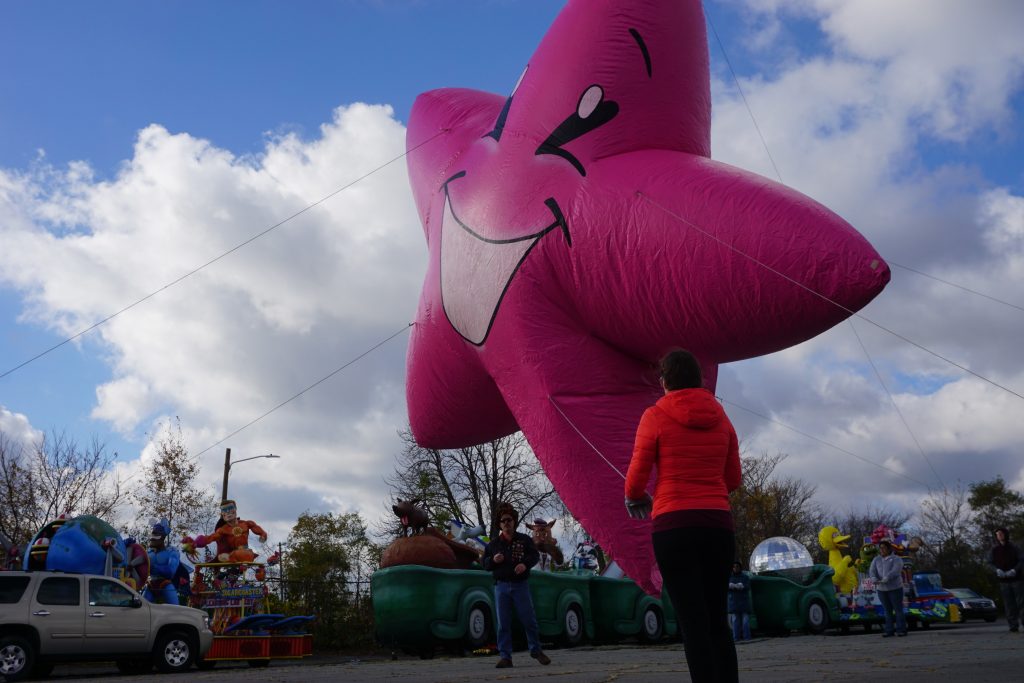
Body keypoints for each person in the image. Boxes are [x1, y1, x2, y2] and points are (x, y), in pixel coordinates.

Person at [625, 349, 741, 683]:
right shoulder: (721, 417)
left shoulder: (655, 415)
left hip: (674, 525)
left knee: (693, 623)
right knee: (718, 620)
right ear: (699, 379)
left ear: (664, 382)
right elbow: (733, 478)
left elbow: (635, 478)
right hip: (718, 525)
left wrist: (636, 497)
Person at [481, 502, 551, 669]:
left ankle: (536, 650)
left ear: (514, 522)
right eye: (503, 520)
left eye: (510, 520)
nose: (507, 523)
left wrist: (525, 565)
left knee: (529, 620)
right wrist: (493, 560)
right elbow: (484, 563)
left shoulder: (525, 540)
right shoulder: (493, 544)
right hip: (501, 587)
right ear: (499, 524)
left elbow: (534, 556)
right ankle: (505, 657)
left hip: (520, 585)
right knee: (503, 623)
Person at [869, 540, 907, 637]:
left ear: (889, 548)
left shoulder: (896, 559)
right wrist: (874, 578)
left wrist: (887, 577)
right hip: (882, 589)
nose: (882, 550)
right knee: (887, 610)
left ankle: (901, 629)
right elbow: (872, 571)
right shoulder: (876, 559)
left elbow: (896, 570)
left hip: (895, 588)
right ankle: (889, 630)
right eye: (880, 548)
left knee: (898, 609)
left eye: (884, 548)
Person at [990, 527, 1024, 632]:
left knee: (1021, 603)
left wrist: (1015, 570)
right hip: (1003, 581)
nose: (999, 536)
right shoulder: (995, 550)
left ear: (1005, 534)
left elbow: (1022, 560)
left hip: (1017, 580)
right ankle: (1013, 625)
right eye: (997, 534)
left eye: (1001, 534)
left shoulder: (1014, 548)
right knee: (1009, 604)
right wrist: (996, 570)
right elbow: (990, 562)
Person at [728, 562, 752, 642]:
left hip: (743, 601)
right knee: (735, 621)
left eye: (737, 567)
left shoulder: (745, 577)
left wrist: (742, 586)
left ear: (740, 568)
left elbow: (748, 587)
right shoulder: (729, 577)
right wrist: (731, 586)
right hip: (734, 601)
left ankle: (747, 637)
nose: (735, 568)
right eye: (734, 567)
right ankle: (736, 638)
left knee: (745, 621)